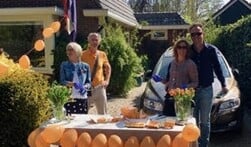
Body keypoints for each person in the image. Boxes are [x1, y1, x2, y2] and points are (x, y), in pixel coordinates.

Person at [189, 23, 228, 147]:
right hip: (191, 92)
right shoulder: (189, 51)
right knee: (192, 121)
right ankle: (193, 144)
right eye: (193, 34)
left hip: (206, 90)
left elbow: (217, 68)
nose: (196, 36)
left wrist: (223, 83)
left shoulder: (211, 50)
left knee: (205, 121)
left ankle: (203, 144)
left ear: (203, 34)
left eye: (198, 33)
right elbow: (180, 66)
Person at [162, 39, 198, 116]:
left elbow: (195, 83)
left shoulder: (190, 64)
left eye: (184, 47)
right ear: (176, 49)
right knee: (167, 123)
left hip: (182, 99)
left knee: (180, 124)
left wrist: (185, 86)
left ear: (187, 50)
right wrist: (161, 80)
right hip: (170, 98)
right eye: (179, 47)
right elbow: (169, 81)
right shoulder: (172, 63)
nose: (182, 49)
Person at [81, 32, 111, 114]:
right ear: (88, 41)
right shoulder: (82, 55)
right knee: (83, 113)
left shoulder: (102, 54)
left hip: (99, 87)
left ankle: (102, 127)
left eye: (96, 40)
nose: (94, 42)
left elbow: (108, 67)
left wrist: (107, 80)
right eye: (92, 40)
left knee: (103, 114)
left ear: (99, 42)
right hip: (86, 88)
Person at [60, 42, 91, 115]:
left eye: (71, 50)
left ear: (78, 52)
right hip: (69, 97)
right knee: (68, 121)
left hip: (82, 97)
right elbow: (62, 81)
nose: (68, 52)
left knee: (81, 120)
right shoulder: (64, 65)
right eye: (67, 50)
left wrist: (84, 87)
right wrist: (73, 84)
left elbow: (89, 83)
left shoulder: (86, 66)